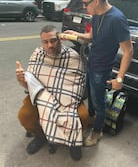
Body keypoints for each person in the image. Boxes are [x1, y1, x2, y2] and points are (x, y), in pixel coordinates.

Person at [64, 0, 133, 147]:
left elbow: (128, 50)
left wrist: (119, 79)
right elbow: (92, 37)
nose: (84, 7)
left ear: (96, 0)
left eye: (86, 3)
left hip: (102, 69)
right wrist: (76, 34)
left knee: (99, 102)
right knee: (92, 100)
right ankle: (93, 121)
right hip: (91, 63)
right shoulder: (95, 15)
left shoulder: (117, 19)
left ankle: (97, 132)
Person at [16, 25, 88, 160]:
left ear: (60, 39)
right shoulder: (37, 54)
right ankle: (40, 136)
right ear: (41, 42)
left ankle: (74, 142)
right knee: (24, 115)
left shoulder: (72, 56)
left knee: (83, 116)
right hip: (41, 96)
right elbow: (31, 85)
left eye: (53, 40)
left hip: (67, 98)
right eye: (45, 42)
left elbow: (78, 83)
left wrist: (64, 102)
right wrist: (21, 80)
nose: (50, 45)